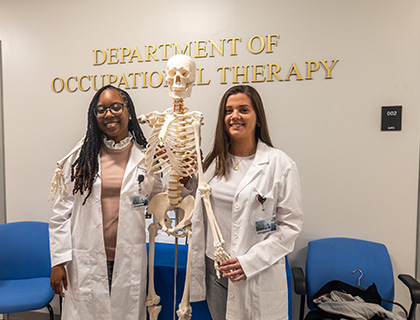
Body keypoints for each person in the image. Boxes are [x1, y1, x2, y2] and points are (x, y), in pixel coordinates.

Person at [49, 85, 193, 320]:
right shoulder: (79, 158)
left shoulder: (146, 157)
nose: (109, 114)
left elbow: (157, 200)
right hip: (86, 258)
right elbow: (60, 213)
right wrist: (58, 262)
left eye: (116, 107)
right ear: (94, 115)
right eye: (101, 109)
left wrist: (182, 175)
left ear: (128, 112)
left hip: (128, 259)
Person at [190, 85, 304, 320]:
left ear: (258, 118)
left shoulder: (279, 164)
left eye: (243, 110)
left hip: (257, 270)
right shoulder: (213, 163)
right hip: (217, 271)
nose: (235, 116)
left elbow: (290, 225)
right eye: (229, 110)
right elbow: (199, 206)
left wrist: (250, 262)